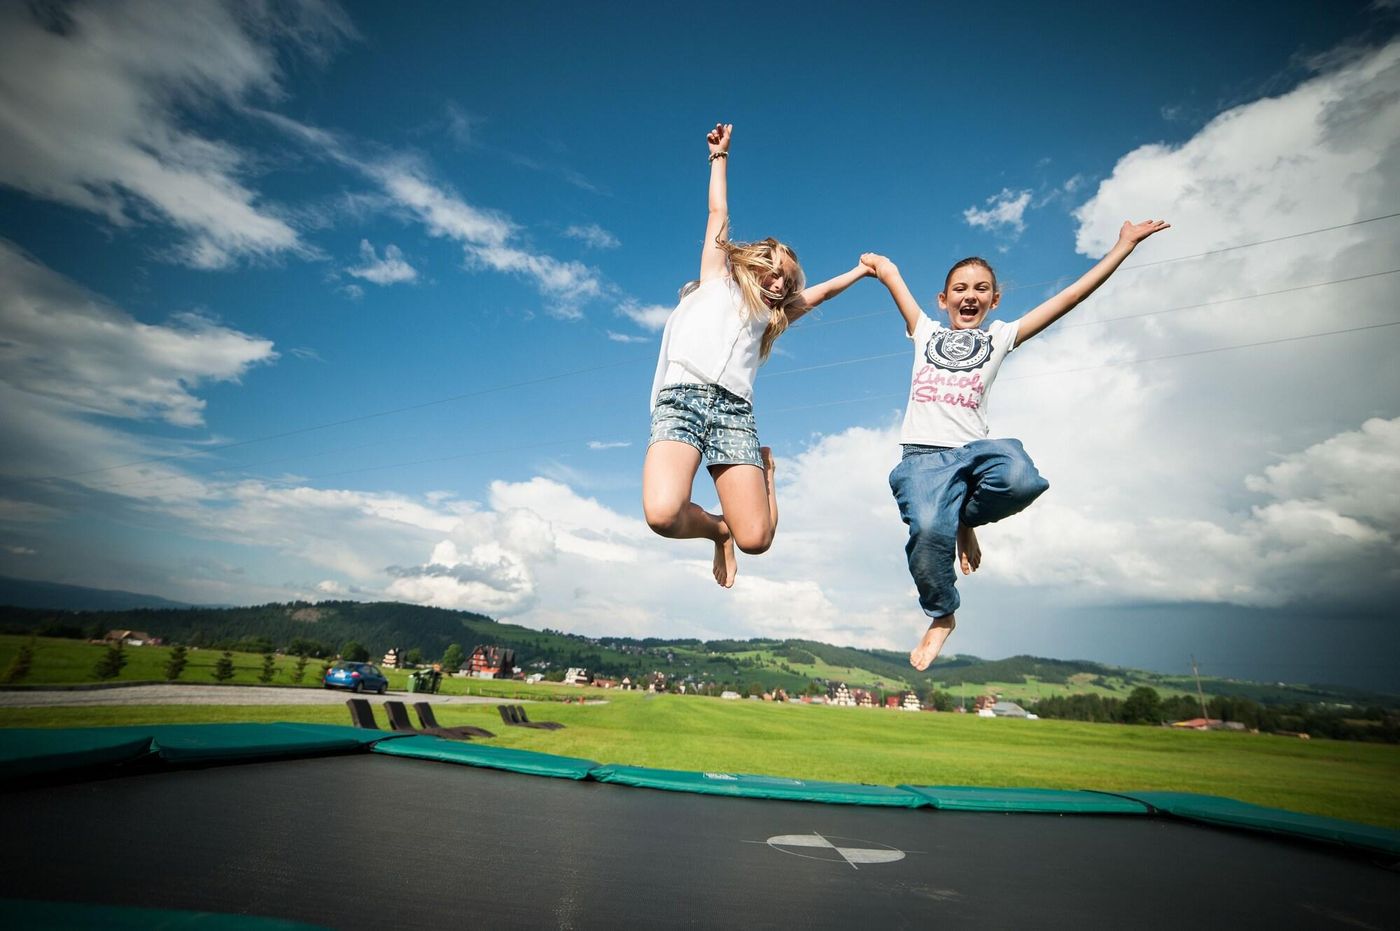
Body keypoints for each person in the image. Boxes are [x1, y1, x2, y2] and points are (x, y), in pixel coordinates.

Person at [861, 218, 1170, 670]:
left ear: (994, 300)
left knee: (1022, 478)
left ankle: (964, 517)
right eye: (960, 288)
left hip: (976, 453)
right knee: (928, 532)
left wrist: (1122, 246)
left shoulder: (999, 336)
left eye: (982, 288)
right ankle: (943, 613)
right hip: (923, 458)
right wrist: (884, 266)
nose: (971, 295)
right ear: (943, 300)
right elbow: (892, 280)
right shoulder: (926, 332)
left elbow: (1071, 297)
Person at [643, 122, 871, 588]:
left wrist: (859, 272)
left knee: (757, 539)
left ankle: (763, 476)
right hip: (681, 401)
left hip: (734, 413)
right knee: (663, 514)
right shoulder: (715, 281)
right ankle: (716, 528)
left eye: (786, 279)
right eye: (772, 273)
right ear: (752, 268)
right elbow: (717, 211)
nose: (779, 283)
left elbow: (822, 293)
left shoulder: (773, 317)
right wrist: (719, 157)